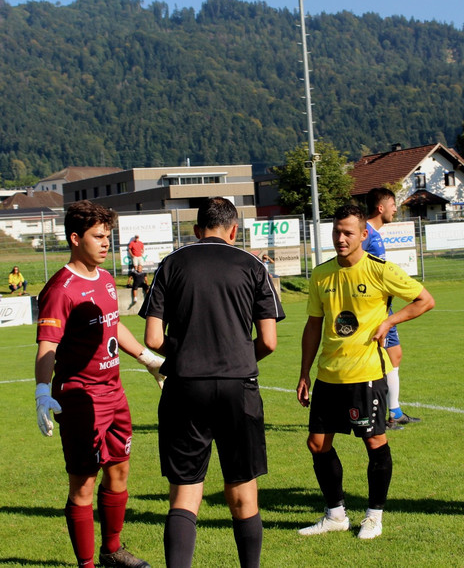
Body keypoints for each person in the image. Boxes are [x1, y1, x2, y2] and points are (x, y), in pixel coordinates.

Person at [141, 197, 285, 568]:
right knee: (242, 492)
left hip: (185, 385)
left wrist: (190, 353)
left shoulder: (171, 263)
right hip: (238, 385)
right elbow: (269, 341)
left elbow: (153, 339)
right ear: (234, 230)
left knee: (185, 495)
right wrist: (234, 354)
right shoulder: (253, 266)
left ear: (196, 229)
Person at [34, 200, 165, 568]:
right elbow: (48, 346)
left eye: (108, 236)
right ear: (75, 239)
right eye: (98, 236)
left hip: (114, 392)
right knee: (84, 484)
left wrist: (148, 359)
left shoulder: (106, 280)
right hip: (80, 398)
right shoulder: (61, 289)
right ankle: (87, 564)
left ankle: (113, 551)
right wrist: (42, 391)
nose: (106, 243)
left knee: (120, 470)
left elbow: (113, 325)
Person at [297, 204, 435, 540]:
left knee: (373, 441)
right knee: (317, 444)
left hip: (367, 373)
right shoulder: (321, 274)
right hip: (329, 374)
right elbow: (313, 326)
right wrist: (304, 373)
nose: (341, 239)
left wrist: (389, 320)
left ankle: (374, 516)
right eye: (336, 232)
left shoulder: (380, 270)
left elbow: (424, 300)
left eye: (348, 232)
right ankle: (335, 515)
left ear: (363, 235)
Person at [361, 187, 418, 428]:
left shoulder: (374, 233)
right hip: (374, 310)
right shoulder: (367, 234)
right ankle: (377, 412)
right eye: (393, 204)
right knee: (380, 361)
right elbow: (353, 265)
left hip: (385, 307)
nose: (396, 208)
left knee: (394, 356)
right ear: (380, 207)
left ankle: (394, 411)